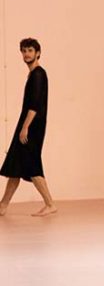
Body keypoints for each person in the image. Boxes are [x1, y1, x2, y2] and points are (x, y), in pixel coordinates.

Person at [0, 38, 55, 217]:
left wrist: (25, 128)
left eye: (30, 50)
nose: (26, 54)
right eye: (24, 51)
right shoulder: (33, 74)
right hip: (27, 125)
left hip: (31, 126)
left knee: (32, 165)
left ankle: (50, 204)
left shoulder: (39, 74)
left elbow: (35, 105)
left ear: (38, 53)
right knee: (15, 163)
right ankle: (3, 205)